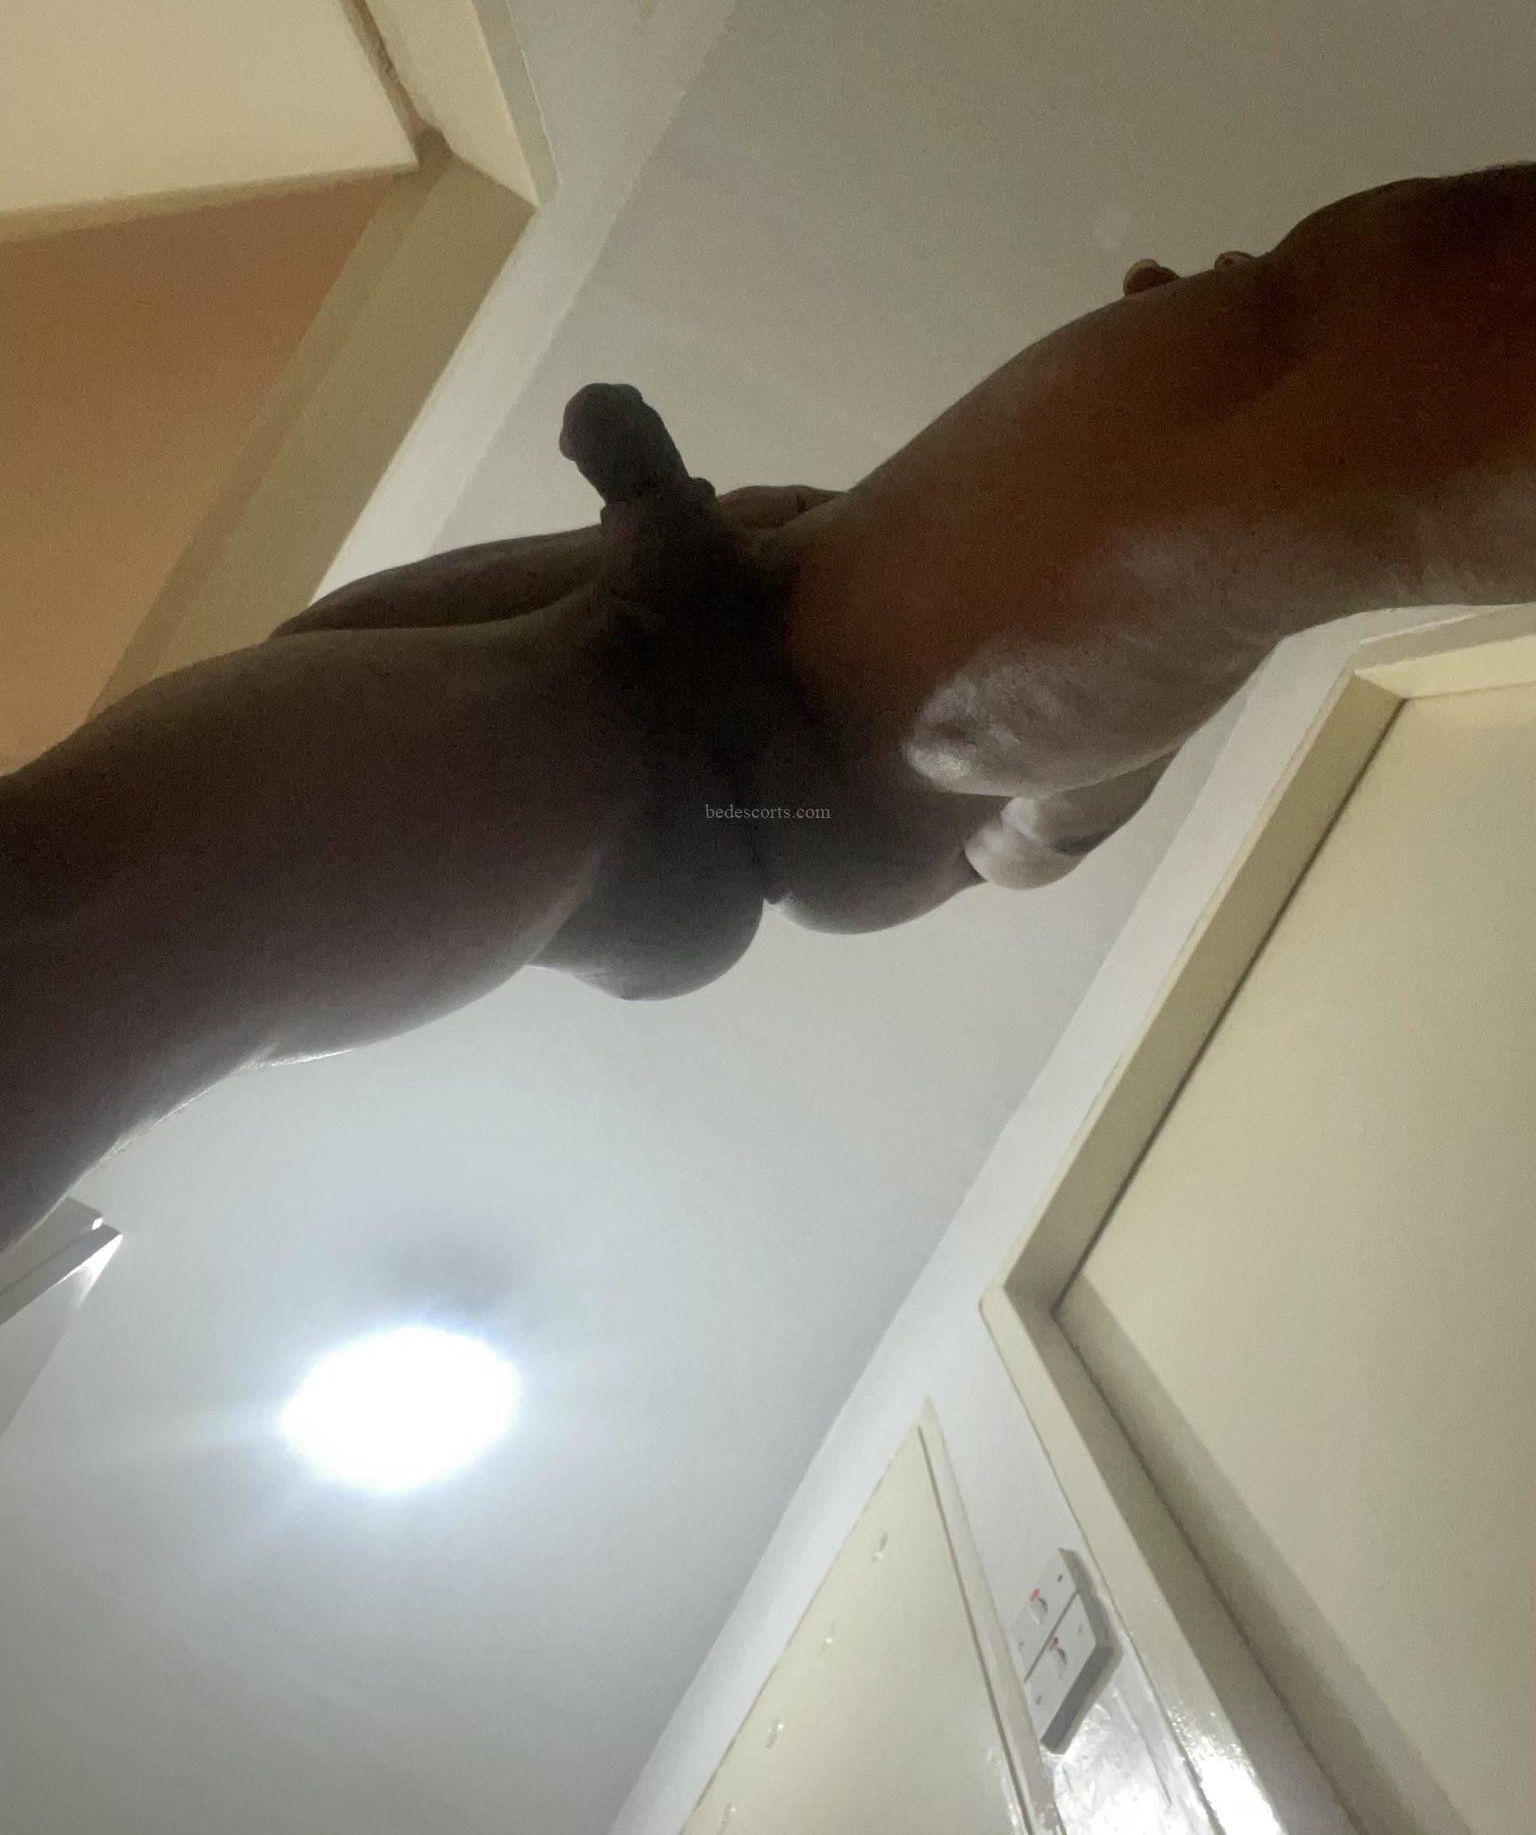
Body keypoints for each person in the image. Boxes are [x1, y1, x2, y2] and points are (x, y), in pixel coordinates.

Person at [4, 162, 1535, 1246]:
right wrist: (667, 533)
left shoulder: (830, 673)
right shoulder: (840, 681)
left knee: (83, 898)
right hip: (696, 736)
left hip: (695, 736)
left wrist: (668, 535)